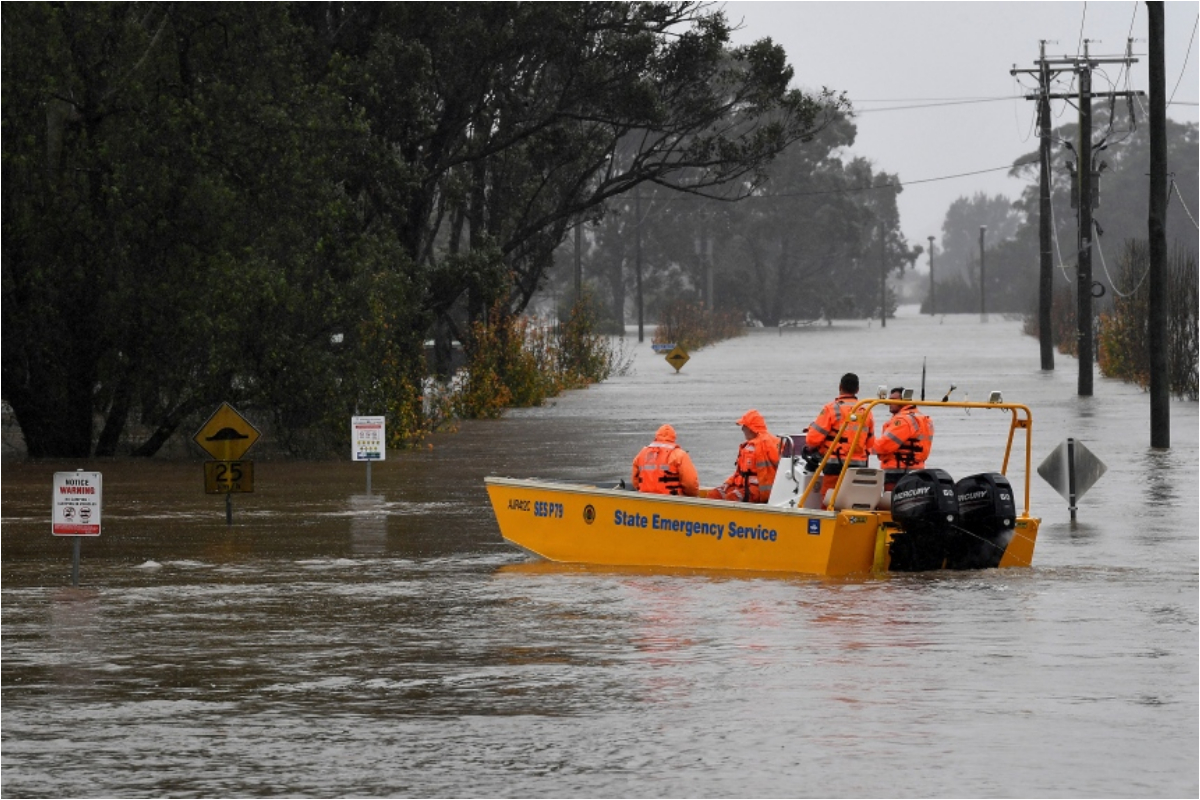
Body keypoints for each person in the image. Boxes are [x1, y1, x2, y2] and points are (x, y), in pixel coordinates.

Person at [804, 372, 876, 495]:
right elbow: (870, 442)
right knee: (853, 499)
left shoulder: (831, 409)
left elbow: (813, 439)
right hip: (859, 466)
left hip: (835, 465)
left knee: (830, 500)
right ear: (857, 390)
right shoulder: (866, 411)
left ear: (840, 387)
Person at [706, 410, 780, 503]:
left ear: (751, 428)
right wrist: (728, 483)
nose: (742, 429)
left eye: (744, 426)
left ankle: (731, 517)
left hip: (758, 490)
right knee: (714, 494)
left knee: (733, 498)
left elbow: (782, 467)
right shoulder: (747, 446)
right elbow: (739, 472)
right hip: (742, 486)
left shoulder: (769, 444)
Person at [874, 387, 934, 483]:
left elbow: (885, 445)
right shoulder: (923, 419)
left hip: (898, 471)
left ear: (904, 400)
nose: (890, 402)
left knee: (890, 497)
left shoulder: (903, 421)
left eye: (893, 399)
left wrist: (866, 445)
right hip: (917, 469)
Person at [631, 424, 700, 497]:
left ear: (656, 436)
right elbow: (690, 483)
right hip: (673, 501)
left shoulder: (641, 454)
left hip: (646, 499)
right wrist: (693, 496)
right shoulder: (680, 455)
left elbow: (635, 481)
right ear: (674, 437)